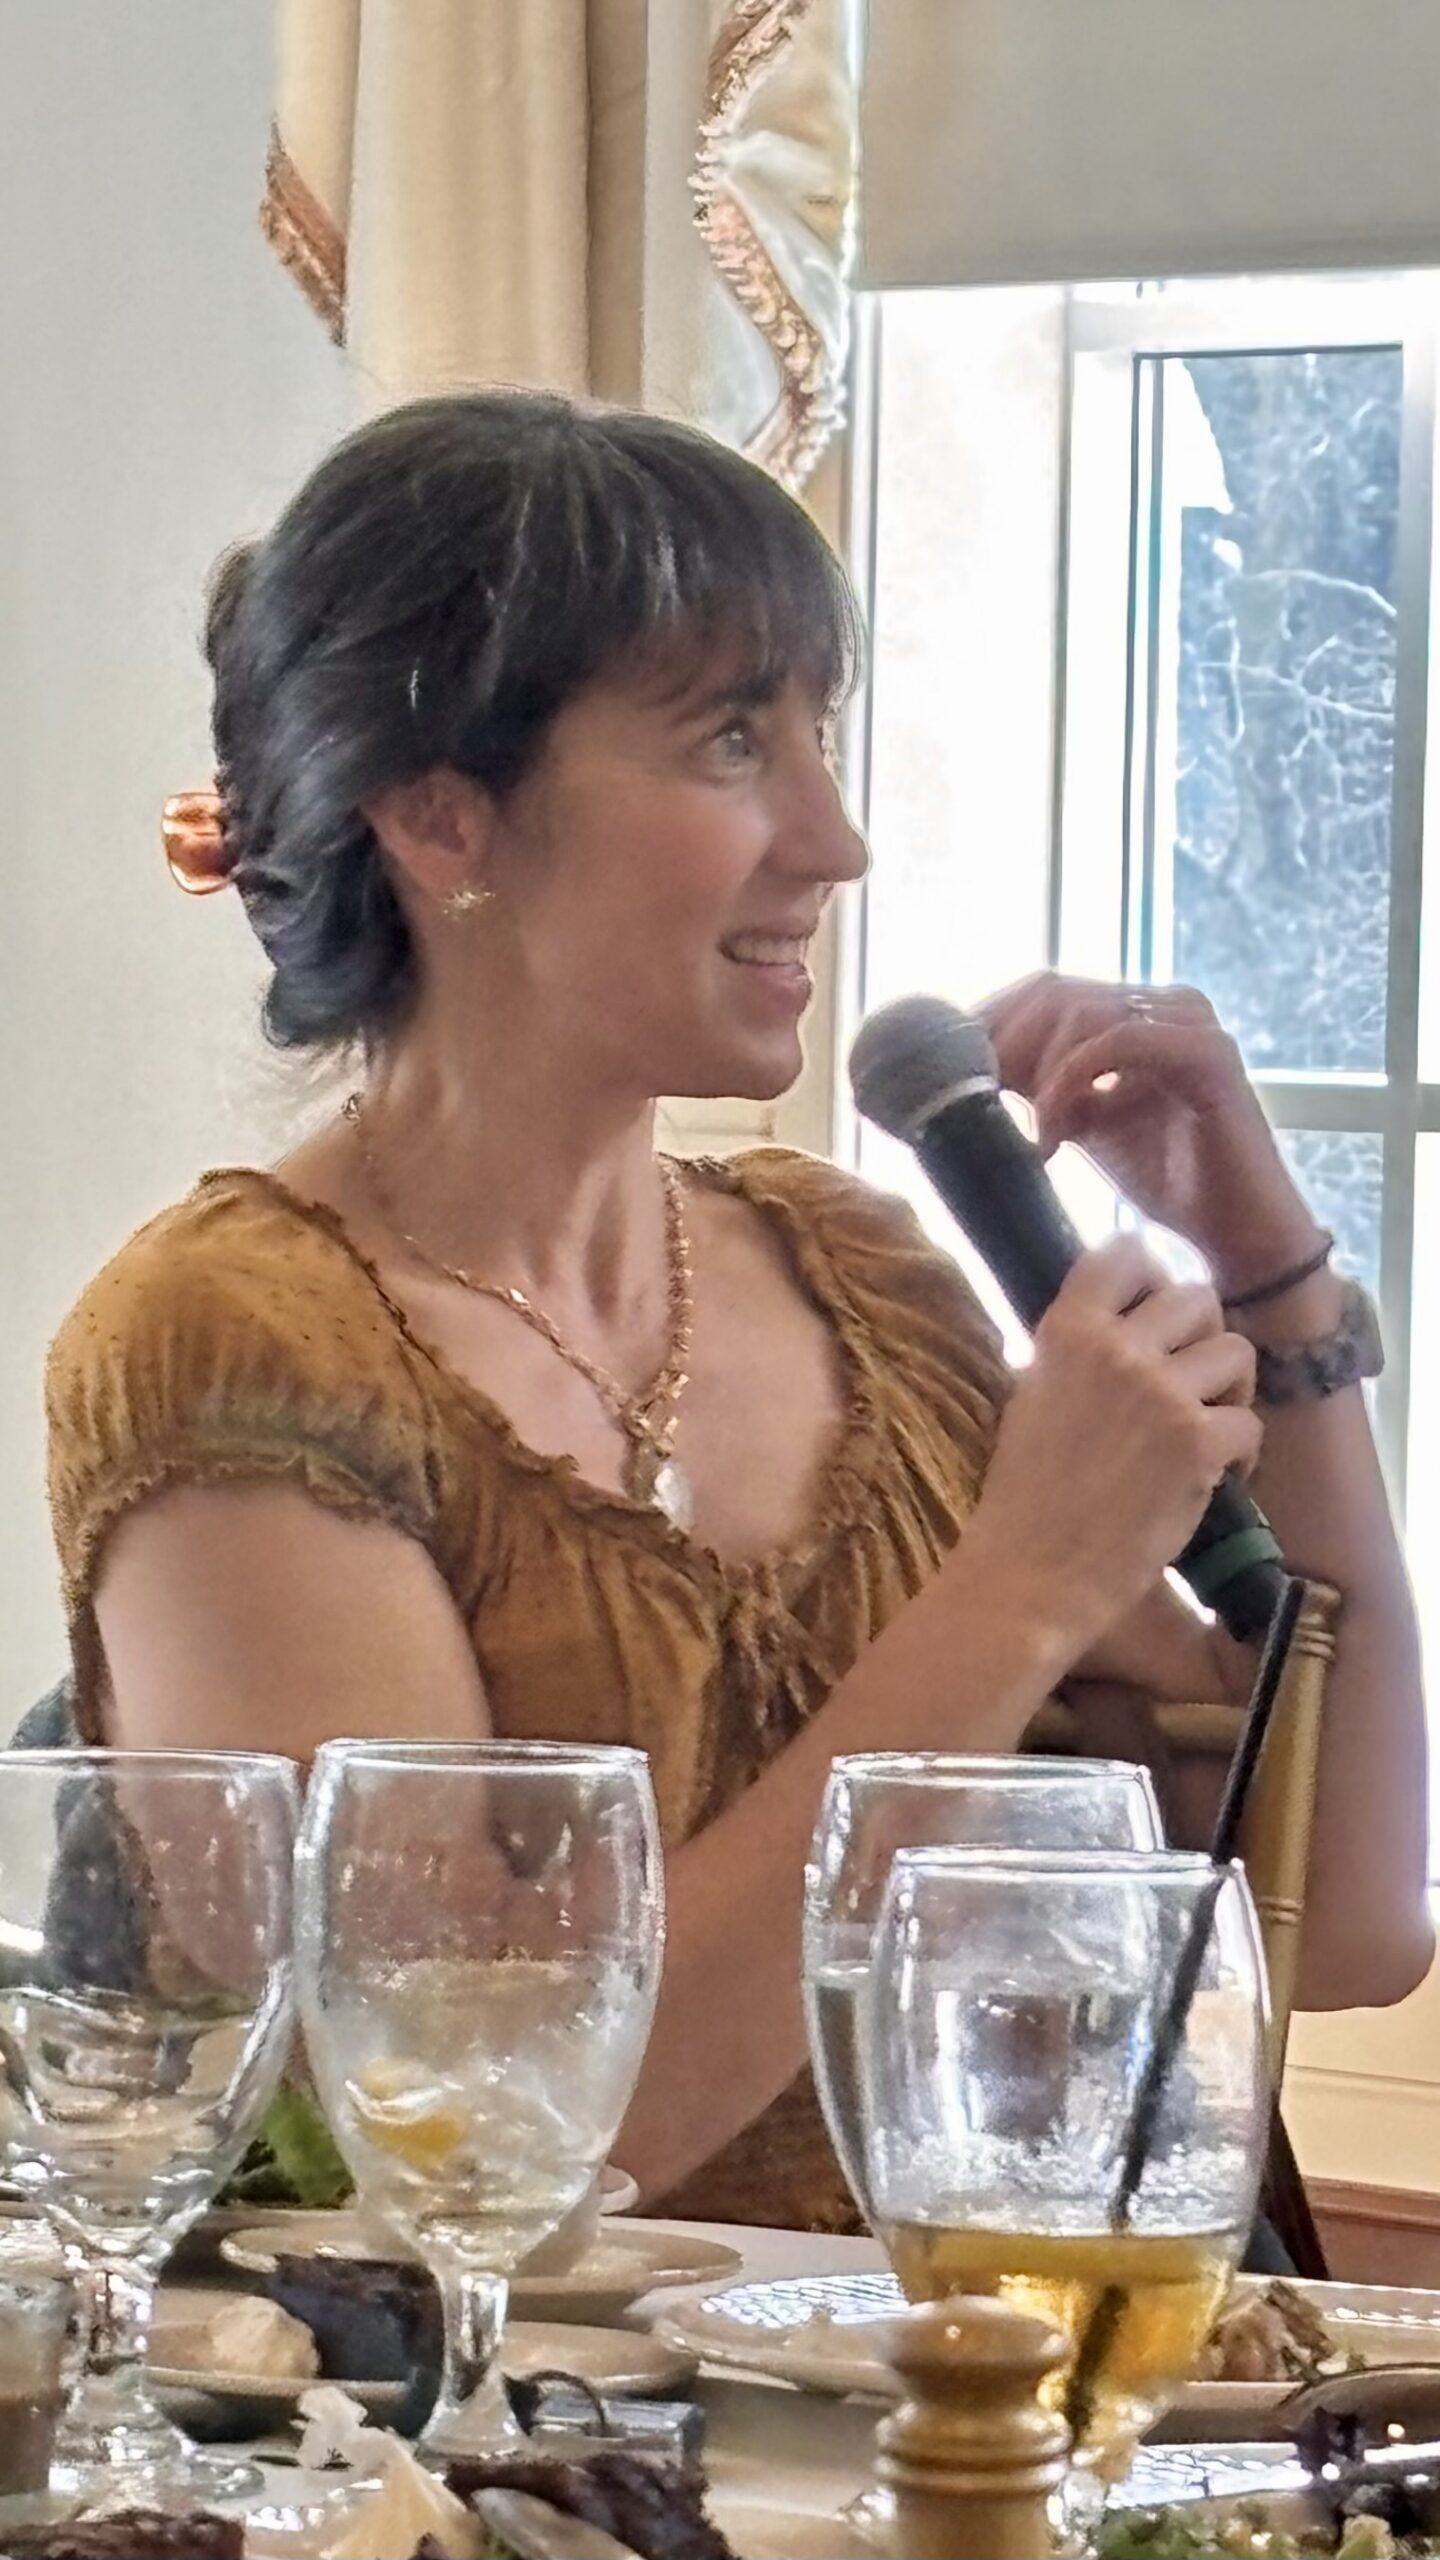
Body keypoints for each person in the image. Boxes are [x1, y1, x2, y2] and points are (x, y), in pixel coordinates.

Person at [45, 392, 1432, 2231]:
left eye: (818, 736)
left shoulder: (858, 1276)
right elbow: (491, 2135)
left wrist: (1274, 1281)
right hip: (540, 2412)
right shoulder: (237, 1346)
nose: (833, 840)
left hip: (995, 2377)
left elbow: (1350, 1915)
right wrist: (1022, 1582)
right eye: (729, 741)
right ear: (442, 813)